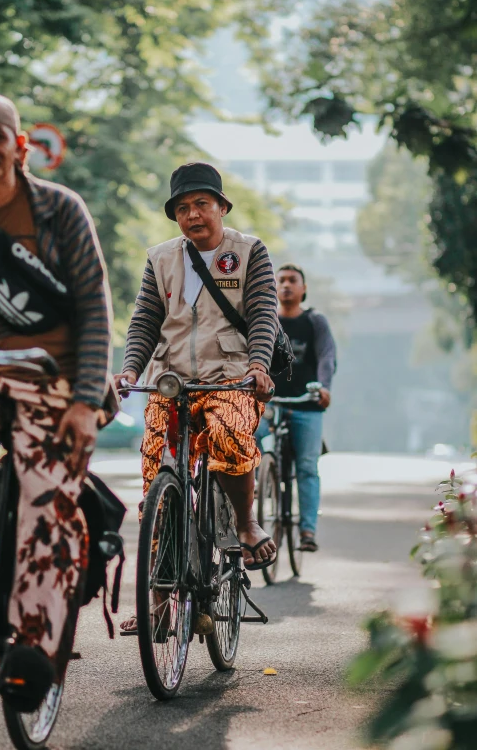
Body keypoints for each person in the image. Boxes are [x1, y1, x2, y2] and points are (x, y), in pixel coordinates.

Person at [0, 93, 113, 710]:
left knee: (44, 500)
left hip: (55, 380)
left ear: (20, 147)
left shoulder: (60, 210)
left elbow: (96, 309)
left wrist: (83, 403)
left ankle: (32, 648)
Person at [115, 162, 279, 632]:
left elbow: (265, 312)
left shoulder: (249, 251)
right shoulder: (161, 258)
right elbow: (145, 321)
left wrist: (258, 365)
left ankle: (245, 524)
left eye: (201, 204)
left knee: (229, 434)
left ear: (222, 207)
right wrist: (129, 370)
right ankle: (161, 598)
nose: (192, 215)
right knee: (156, 482)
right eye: (183, 208)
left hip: (231, 376)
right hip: (172, 381)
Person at [257, 264, 336, 552]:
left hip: (306, 405)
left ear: (303, 289)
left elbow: (327, 357)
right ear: (273, 287)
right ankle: (257, 484)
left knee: (306, 467)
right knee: (243, 439)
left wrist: (324, 386)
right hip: (267, 404)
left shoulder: (315, 322)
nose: (286, 285)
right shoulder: (265, 320)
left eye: (293, 280)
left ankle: (307, 531)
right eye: (281, 280)